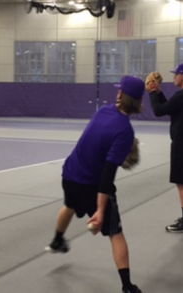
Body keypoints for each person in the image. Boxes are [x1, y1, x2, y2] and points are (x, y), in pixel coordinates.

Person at [45, 75, 145, 293]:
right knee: (115, 233)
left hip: (70, 174)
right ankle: (127, 286)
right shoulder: (125, 132)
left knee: (70, 205)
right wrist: (100, 211)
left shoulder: (102, 111)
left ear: (120, 95)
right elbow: (107, 176)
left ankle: (57, 241)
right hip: (93, 184)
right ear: (138, 103)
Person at [147, 63, 183, 233]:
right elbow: (170, 108)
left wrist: (152, 91)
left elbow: (159, 110)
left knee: (182, 183)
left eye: (176, 74)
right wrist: (159, 91)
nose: (174, 77)